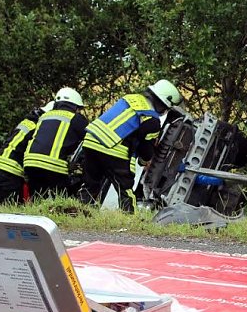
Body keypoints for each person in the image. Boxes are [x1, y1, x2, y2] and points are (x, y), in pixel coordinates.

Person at [79, 79, 185, 212]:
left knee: (91, 182)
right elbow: (146, 150)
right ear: (163, 104)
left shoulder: (130, 98)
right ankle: (128, 216)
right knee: (125, 187)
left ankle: (80, 210)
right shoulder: (152, 120)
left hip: (90, 141)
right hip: (112, 147)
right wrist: (144, 161)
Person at [23, 87, 89, 199]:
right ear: (74, 106)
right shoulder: (76, 118)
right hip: (53, 165)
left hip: (30, 162)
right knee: (63, 198)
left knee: (38, 198)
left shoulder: (44, 116)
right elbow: (89, 140)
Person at [0, 100, 54, 204]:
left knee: (0, 205)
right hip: (11, 171)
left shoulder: (27, 122)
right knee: (13, 209)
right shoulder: (39, 127)